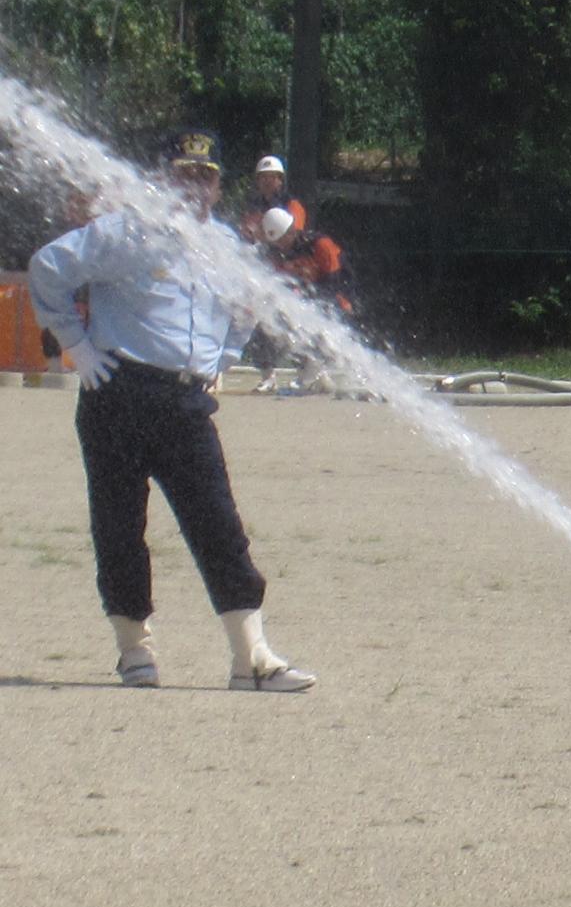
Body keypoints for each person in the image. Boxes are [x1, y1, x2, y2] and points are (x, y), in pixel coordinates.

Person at [28, 127, 315, 693]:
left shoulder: (228, 248)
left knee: (218, 525)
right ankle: (135, 650)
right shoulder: (126, 231)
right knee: (118, 526)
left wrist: (222, 358)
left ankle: (251, 658)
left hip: (184, 400)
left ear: (217, 187)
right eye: (184, 174)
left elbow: (249, 306)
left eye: (205, 177)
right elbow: (47, 268)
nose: (195, 186)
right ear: (163, 179)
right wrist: (77, 344)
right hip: (118, 391)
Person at [259, 207, 361, 395]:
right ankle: (317, 375)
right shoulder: (278, 254)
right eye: (276, 242)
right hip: (309, 299)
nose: (280, 246)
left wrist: (306, 297)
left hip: (338, 298)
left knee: (318, 321)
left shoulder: (320, 244)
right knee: (277, 321)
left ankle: (312, 376)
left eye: (282, 239)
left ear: (292, 231)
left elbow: (335, 283)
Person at [240, 157, 306, 393]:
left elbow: (291, 233)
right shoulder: (254, 205)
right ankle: (267, 374)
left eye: (272, 178)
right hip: (265, 271)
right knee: (260, 321)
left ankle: (310, 368)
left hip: (291, 272)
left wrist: (261, 234)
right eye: (263, 178)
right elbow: (248, 234)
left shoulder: (292, 205)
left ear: (281, 180)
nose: (268, 182)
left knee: (293, 324)